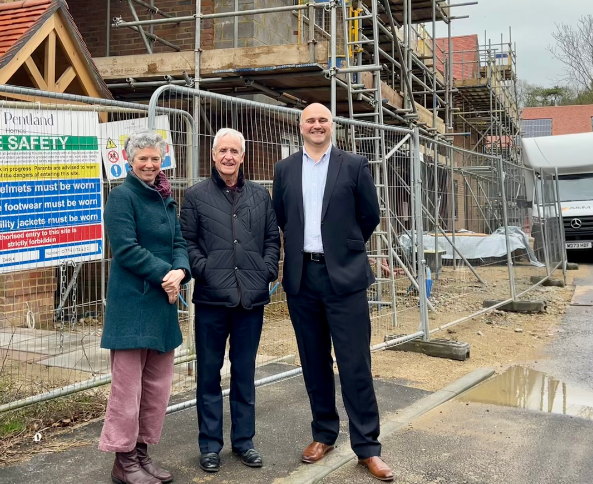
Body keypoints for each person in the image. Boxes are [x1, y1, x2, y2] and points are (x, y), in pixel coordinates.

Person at [272, 103, 394, 482]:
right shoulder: (285, 169)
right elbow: (281, 216)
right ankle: (323, 434)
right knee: (313, 361)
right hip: (302, 278)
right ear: (300, 126)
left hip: (345, 278)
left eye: (323, 119)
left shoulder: (354, 165)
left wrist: (343, 248)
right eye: (310, 120)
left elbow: (368, 216)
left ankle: (368, 447)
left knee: (355, 363)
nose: (317, 125)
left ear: (332, 125)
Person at [180, 128, 280, 473]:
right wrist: (206, 271)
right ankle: (209, 446)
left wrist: (266, 270)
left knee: (244, 374)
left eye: (234, 151)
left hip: (250, 301)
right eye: (222, 150)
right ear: (213, 154)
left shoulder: (259, 196)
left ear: (242, 156)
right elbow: (187, 243)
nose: (228, 156)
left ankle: (244, 442)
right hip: (211, 301)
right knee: (208, 375)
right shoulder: (195, 196)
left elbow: (272, 238)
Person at [100, 130, 191, 484]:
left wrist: (181, 270)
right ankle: (124, 462)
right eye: (143, 159)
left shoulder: (166, 199)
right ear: (129, 161)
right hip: (133, 307)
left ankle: (141, 455)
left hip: (163, 304)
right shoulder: (122, 198)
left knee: (156, 387)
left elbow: (180, 241)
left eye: (155, 158)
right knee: (128, 389)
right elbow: (126, 249)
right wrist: (166, 274)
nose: (150, 164)